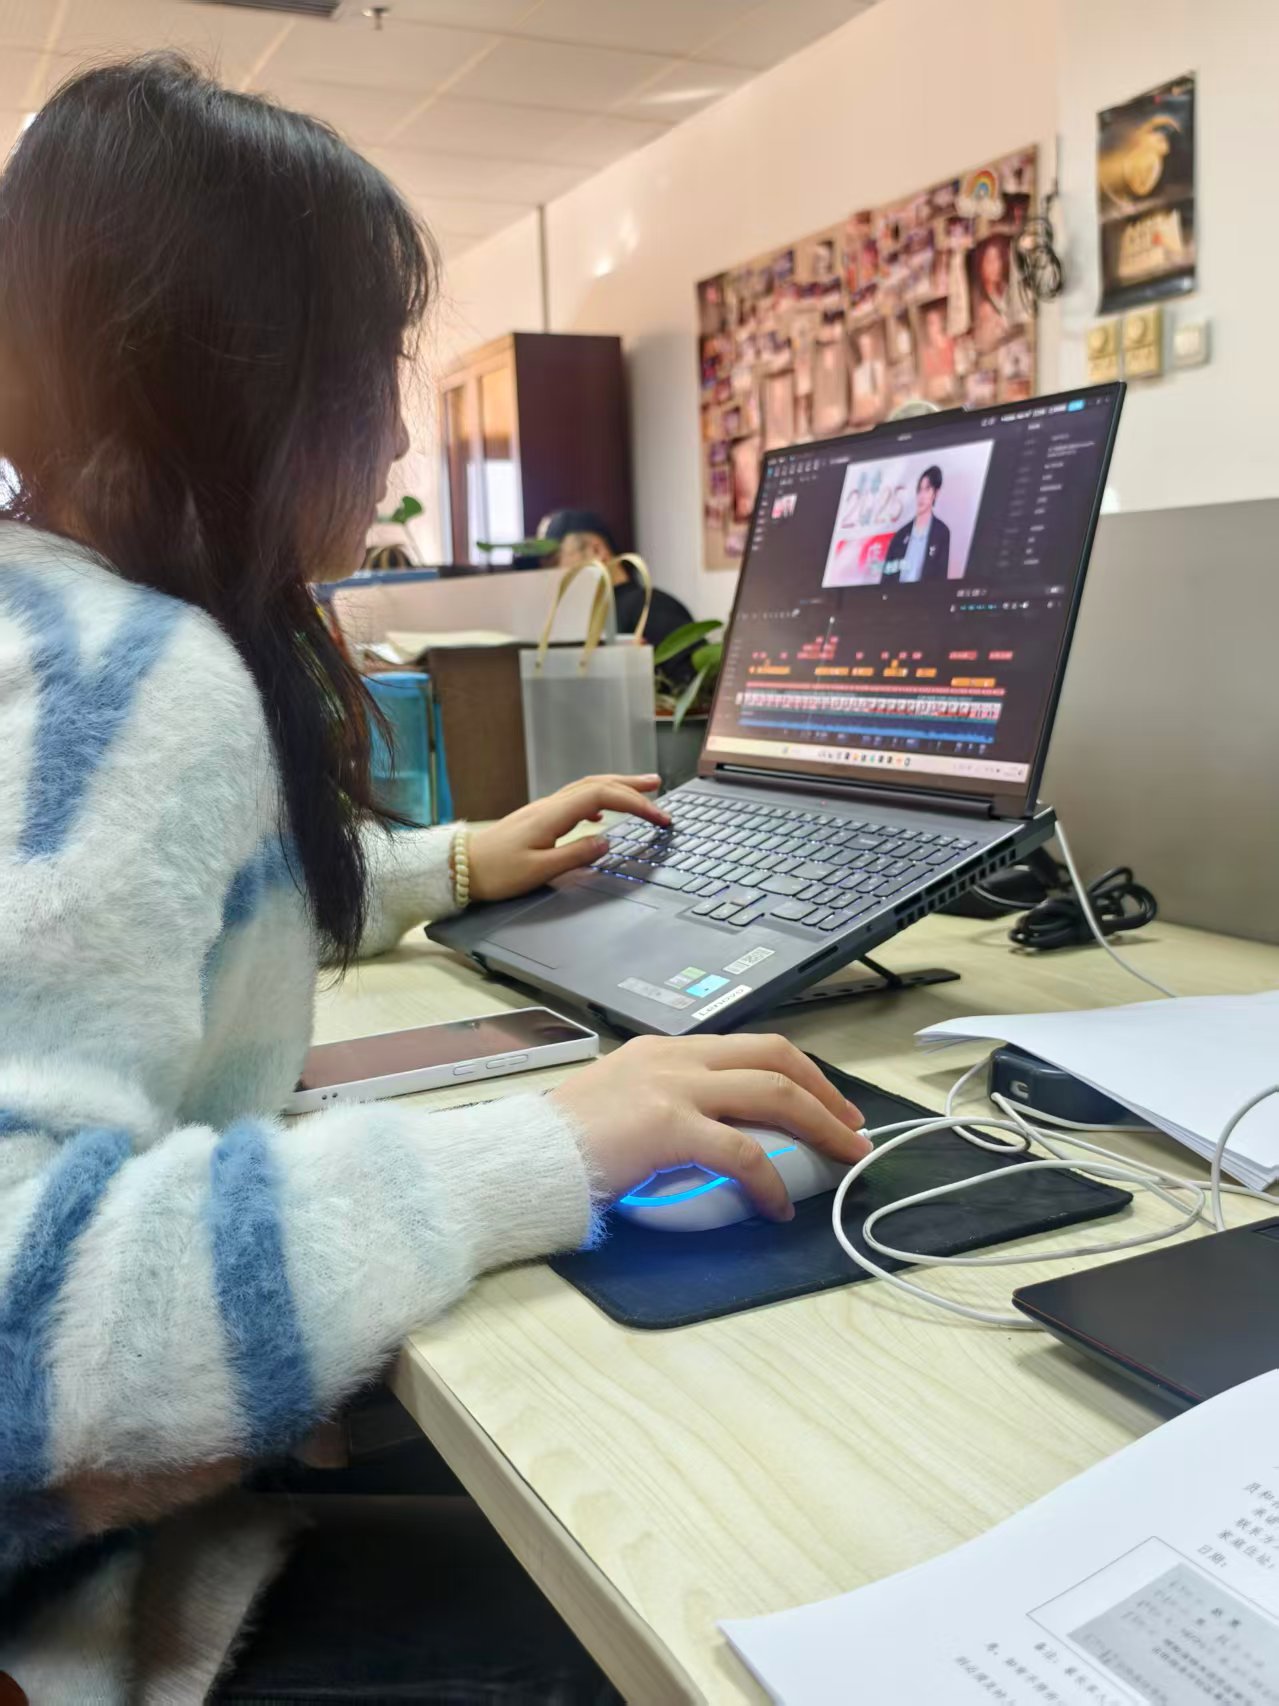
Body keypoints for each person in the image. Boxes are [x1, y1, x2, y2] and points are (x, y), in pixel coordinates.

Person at [0, 56, 869, 1700]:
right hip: (70, 1623)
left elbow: (160, 914)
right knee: (694, 1587)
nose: (398, 431)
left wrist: (455, 861)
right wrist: (543, 1144)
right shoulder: (127, 680)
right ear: (238, 376)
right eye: (371, 369)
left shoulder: (64, 622)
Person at [536, 507, 694, 652]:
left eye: (554, 561)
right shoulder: (585, 620)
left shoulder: (650, 607)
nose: (550, 573)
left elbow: (697, 670)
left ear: (596, 550)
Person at [884, 465, 951, 583]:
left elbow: (940, 579)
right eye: (920, 490)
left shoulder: (941, 533)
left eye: (927, 489)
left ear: (936, 493)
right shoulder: (900, 535)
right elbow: (886, 578)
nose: (922, 496)